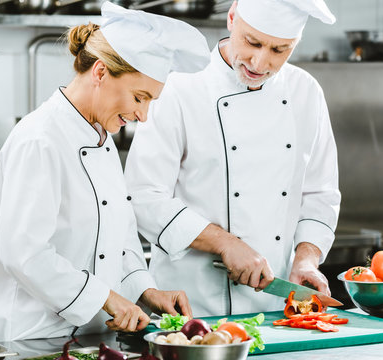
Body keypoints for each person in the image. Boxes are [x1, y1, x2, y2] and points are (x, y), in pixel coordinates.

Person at [0, 2, 211, 341]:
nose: (142, 116)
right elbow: (24, 253)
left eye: (149, 103)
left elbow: (120, 235)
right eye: (139, 97)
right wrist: (107, 298)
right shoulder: (40, 140)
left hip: (87, 337)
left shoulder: (102, 139)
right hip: (30, 341)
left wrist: (145, 291)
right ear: (100, 72)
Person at [124, 0, 341, 317]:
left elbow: (320, 193)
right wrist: (225, 243)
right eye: (252, 42)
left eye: (280, 50)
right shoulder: (180, 87)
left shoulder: (305, 92)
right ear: (231, 18)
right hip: (192, 307)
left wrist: (307, 258)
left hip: (276, 307)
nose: (260, 62)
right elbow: (143, 196)